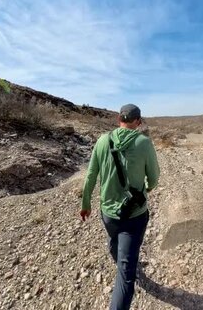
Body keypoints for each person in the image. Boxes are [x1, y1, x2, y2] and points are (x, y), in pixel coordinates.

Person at [80, 104, 160, 310]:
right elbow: (154, 177)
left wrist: (86, 203)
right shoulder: (144, 142)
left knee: (113, 239)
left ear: (119, 119)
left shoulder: (102, 141)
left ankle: (120, 258)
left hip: (108, 212)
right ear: (138, 122)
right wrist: (148, 188)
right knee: (126, 277)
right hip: (134, 215)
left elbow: (90, 175)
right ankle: (125, 264)